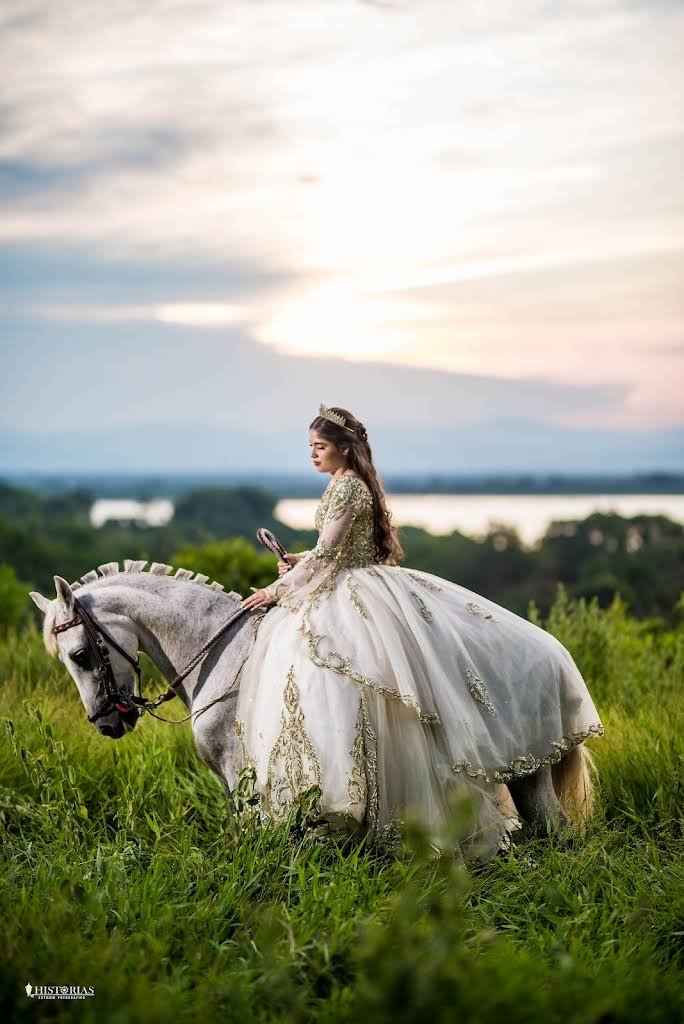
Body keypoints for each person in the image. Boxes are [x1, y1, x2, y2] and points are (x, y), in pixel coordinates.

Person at [238, 404, 603, 860]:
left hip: (359, 592)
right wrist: (299, 564)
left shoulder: (349, 487)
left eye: (321, 447)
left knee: (359, 678)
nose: (313, 455)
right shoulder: (340, 483)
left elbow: (330, 554)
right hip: (350, 583)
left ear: (345, 449)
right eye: (310, 447)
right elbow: (332, 551)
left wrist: (277, 589)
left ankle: (373, 812)